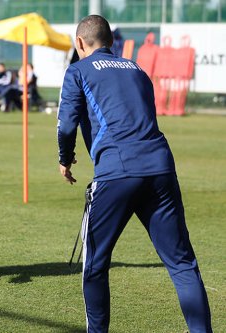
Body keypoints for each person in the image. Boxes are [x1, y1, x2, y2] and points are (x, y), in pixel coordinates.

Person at [57, 15, 212, 332]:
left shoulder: (78, 70)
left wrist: (66, 158)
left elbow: (66, 125)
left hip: (117, 171)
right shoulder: (137, 69)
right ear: (112, 42)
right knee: (182, 264)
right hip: (161, 168)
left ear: (80, 43)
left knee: (95, 265)